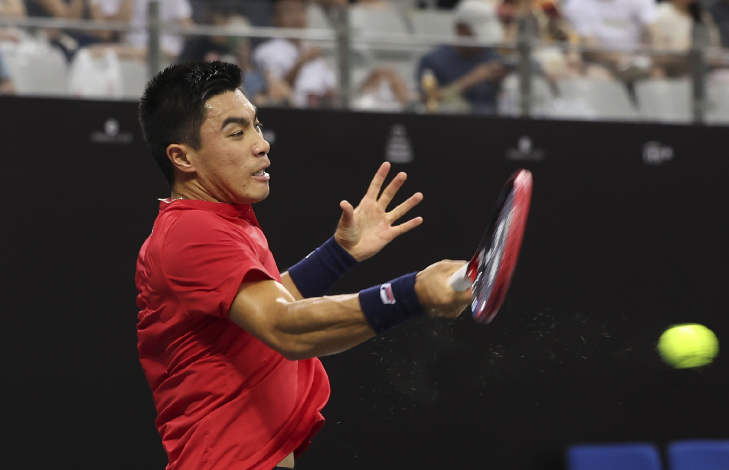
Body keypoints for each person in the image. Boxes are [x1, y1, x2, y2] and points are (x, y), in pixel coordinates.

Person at [136, 60, 470, 470]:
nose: (261, 143)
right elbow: (283, 326)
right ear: (182, 157)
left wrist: (339, 254)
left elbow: (267, 306)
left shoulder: (215, 222)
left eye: (256, 126)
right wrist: (409, 294)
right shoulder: (193, 233)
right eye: (237, 133)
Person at [416, 0, 508, 114]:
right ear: (461, 28)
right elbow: (427, 100)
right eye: (477, 36)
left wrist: (502, 82)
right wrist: (472, 79)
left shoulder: (490, 56)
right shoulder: (433, 60)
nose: (482, 45)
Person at [252, 0, 336, 108]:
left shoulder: (311, 49)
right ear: (276, 19)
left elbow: (330, 88)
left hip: (320, 112)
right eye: (289, 11)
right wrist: (301, 62)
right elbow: (276, 93)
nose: (296, 17)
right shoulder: (265, 52)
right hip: (288, 113)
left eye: (301, 10)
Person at [563, 0, 663, 80]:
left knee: (657, 72)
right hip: (602, 63)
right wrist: (621, 60)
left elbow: (654, 30)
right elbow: (590, 43)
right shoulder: (577, 4)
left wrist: (657, 45)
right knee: (597, 76)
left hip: (640, 58)